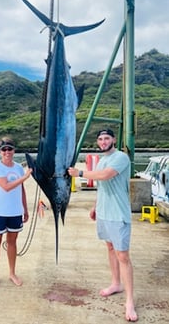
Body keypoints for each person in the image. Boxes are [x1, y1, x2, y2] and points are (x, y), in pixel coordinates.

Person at [68, 129, 138, 322]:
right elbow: (101, 184)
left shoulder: (121, 157)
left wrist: (79, 172)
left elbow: (106, 175)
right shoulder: (100, 159)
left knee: (123, 255)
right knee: (110, 247)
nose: (103, 141)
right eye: (100, 139)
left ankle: (129, 301)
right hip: (104, 213)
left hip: (118, 214)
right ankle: (116, 283)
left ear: (114, 140)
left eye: (107, 138)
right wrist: (95, 206)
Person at [0, 137, 32, 290]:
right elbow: (5, 186)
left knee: (12, 243)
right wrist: (25, 177)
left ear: (14, 150)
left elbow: (21, 189)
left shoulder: (19, 167)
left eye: (9, 149)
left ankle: (12, 273)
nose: (7, 152)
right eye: (3, 149)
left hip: (14, 211)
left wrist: (25, 208)